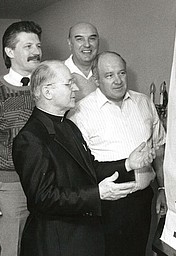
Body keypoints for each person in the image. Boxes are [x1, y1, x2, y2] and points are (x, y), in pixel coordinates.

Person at [12, 60, 157, 256]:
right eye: (69, 83)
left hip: (81, 235)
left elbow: (89, 169)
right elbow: (43, 198)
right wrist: (97, 194)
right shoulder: (30, 138)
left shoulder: (68, 126)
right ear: (47, 92)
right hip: (58, 242)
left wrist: (127, 164)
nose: (76, 88)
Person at [69, 51, 167, 256]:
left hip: (142, 200)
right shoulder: (81, 113)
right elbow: (79, 169)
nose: (117, 81)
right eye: (109, 75)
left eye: (121, 73)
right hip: (106, 206)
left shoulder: (144, 103)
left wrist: (162, 188)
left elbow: (159, 148)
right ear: (96, 79)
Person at [0, 21, 42, 256]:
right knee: (14, 250)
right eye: (28, 46)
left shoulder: (50, 89)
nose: (36, 51)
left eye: (38, 45)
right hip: (12, 186)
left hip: (50, 185)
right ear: (10, 51)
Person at [65, 22, 99, 101]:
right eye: (80, 39)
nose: (87, 45)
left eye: (92, 39)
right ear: (70, 43)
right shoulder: (56, 73)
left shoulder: (108, 71)